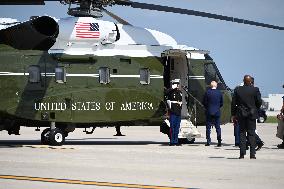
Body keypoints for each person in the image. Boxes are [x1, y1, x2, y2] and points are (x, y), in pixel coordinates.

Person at [231, 75, 262, 159]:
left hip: (241, 114)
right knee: (251, 134)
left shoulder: (237, 89)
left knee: (242, 133)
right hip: (252, 114)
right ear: (251, 81)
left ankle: (242, 154)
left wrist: (233, 114)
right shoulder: (255, 89)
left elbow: (233, 103)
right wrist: (255, 108)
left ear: (243, 81)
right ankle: (252, 154)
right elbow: (259, 102)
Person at [202, 80, 223, 147]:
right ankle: (219, 141)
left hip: (209, 112)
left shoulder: (207, 92)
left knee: (208, 128)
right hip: (217, 112)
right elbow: (221, 103)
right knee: (218, 127)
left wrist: (208, 107)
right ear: (216, 86)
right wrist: (217, 107)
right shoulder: (219, 93)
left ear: (210, 86)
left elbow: (204, 102)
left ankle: (208, 141)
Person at [167, 79, 183, 146]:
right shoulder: (171, 92)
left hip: (178, 112)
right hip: (173, 111)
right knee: (172, 128)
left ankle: (176, 141)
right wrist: (171, 89)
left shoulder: (180, 92)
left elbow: (180, 102)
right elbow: (166, 94)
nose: (178, 86)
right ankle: (172, 141)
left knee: (177, 128)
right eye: (177, 84)